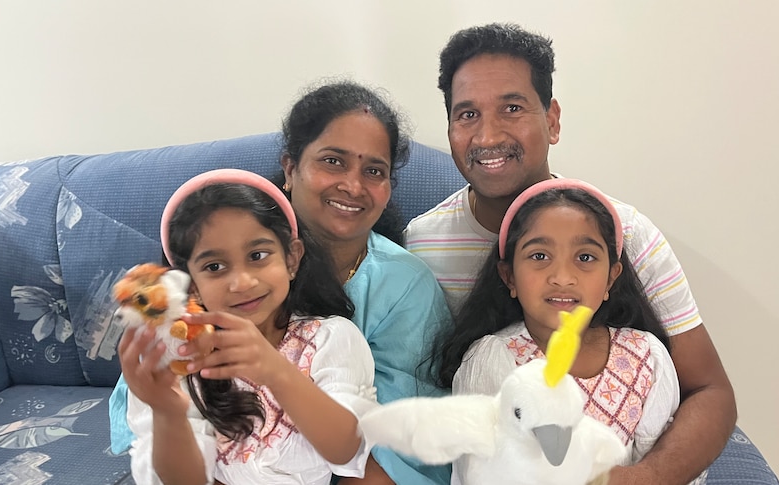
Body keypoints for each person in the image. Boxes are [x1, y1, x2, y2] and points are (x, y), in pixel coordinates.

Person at [405, 23, 736, 484]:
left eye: (512, 108)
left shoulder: (627, 234)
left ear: (553, 120)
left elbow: (710, 389)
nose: (487, 135)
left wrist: (642, 477)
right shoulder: (423, 243)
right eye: (467, 115)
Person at [119, 169, 377, 484]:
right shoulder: (180, 357)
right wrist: (167, 413)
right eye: (214, 266)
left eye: (257, 255)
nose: (241, 282)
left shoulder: (330, 339)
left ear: (292, 259)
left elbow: (346, 451)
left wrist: (277, 372)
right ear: (191, 287)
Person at [436, 178, 688, 483]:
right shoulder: (494, 360)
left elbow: (657, 467)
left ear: (611, 278)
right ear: (509, 277)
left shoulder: (646, 356)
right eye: (539, 256)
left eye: (585, 257)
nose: (563, 277)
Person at [274, 81, 452, 485]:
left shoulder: (405, 284)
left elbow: (399, 435)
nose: (353, 186)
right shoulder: (237, 257)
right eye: (333, 161)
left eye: (374, 171)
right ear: (290, 168)